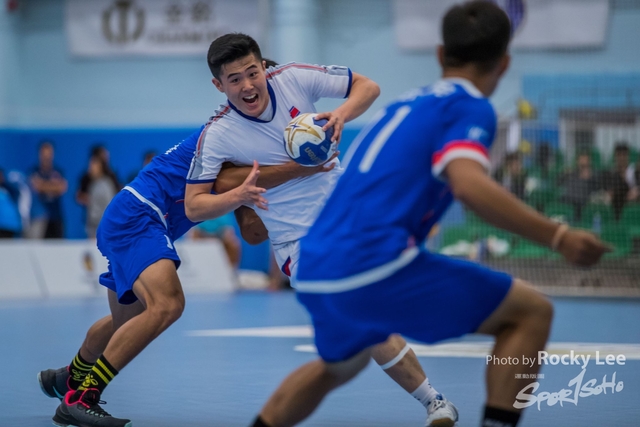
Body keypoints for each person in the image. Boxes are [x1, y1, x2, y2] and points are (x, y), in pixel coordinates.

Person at [248, 3, 610, 427]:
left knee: (339, 366)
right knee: (531, 313)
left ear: (440, 54)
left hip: (315, 264)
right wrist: (558, 236)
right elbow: (469, 185)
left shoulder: (405, 104)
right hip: (372, 262)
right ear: (504, 63)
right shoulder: (469, 106)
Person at [185, 33, 458, 426]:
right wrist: (239, 195)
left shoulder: (294, 78)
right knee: (361, 316)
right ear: (219, 85)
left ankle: (435, 399)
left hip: (347, 218)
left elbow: (368, 86)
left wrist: (342, 113)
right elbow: (194, 205)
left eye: (252, 72)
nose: (247, 85)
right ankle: (434, 402)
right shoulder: (218, 134)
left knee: (370, 317)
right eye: (234, 79)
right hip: (299, 245)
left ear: (264, 67)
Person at [37, 129, 341, 426]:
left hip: (138, 217)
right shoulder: (231, 135)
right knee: (167, 304)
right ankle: (83, 396)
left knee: (128, 321)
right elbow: (224, 183)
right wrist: (300, 170)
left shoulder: (252, 159)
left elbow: (252, 233)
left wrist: (287, 206)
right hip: (140, 215)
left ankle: (71, 377)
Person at [30, 141, 68, 238]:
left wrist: (43, 185)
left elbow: (62, 187)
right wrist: (53, 186)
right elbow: (36, 186)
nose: (46, 157)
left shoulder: (58, 171)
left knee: (57, 245)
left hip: (56, 217)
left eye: (49, 154)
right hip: (39, 217)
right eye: (44, 154)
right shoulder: (34, 171)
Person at [558, 152, 601, 221]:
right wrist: (564, 173)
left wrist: (589, 178)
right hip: (568, 200)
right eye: (581, 159)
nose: (583, 162)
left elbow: (597, 189)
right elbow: (558, 182)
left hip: (582, 204)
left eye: (585, 159)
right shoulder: (572, 173)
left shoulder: (594, 175)